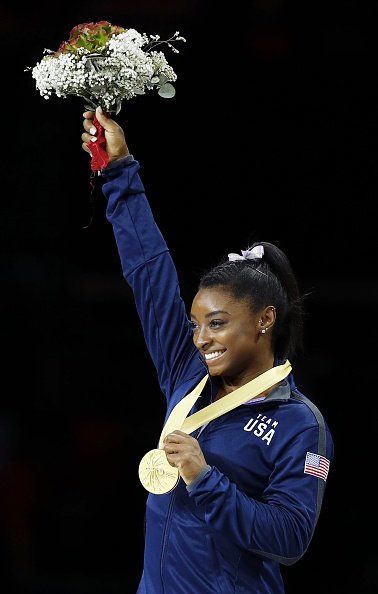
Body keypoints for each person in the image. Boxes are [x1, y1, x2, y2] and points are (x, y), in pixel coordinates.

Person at [80, 106, 334, 594]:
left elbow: (290, 539)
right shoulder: (187, 374)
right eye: (196, 324)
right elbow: (148, 273)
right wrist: (117, 170)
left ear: (265, 320)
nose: (200, 339)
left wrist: (204, 477)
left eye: (217, 324)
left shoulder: (302, 424)